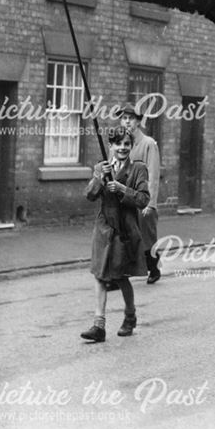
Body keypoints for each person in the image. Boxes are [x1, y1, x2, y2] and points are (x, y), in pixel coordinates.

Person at [81, 127, 150, 342]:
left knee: (120, 277)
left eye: (126, 144)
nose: (122, 148)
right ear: (110, 146)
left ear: (131, 146)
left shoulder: (138, 169)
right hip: (103, 229)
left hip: (125, 229)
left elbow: (143, 200)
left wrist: (120, 188)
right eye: (118, 144)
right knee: (100, 275)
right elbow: (90, 195)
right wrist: (99, 177)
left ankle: (130, 317)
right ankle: (98, 326)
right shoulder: (101, 167)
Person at [120, 103, 162, 284]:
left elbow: (153, 174)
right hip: (126, 198)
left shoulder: (148, 144)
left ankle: (153, 267)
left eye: (130, 118)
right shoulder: (122, 144)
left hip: (142, 199)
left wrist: (150, 204)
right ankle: (123, 273)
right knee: (126, 236)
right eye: (124, 118)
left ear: (138, 122)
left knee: (146, 238)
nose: (126, 122)